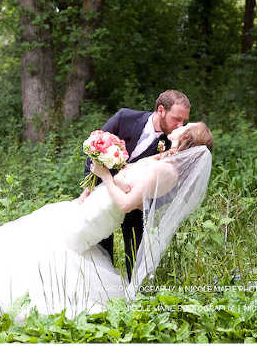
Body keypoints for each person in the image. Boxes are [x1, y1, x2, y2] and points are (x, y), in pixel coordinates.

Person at [0, 122, 213, 319]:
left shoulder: (166, 171)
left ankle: (33, 294)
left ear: (187, 138)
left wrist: (105, 175)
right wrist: (115, 172)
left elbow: (128, 204)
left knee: (55, 242)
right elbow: (134, 189)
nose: (179, 126)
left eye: (185, 126)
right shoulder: (165, 159)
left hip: (101, 214)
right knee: (48, 226)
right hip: (96, 203)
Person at [79, 90, 191, 280]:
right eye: (177, 119)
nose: (180, 126)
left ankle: (133, 294)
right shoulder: (125, 117)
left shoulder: (174, 143)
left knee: (135, 251)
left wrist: (145, 203)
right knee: (99, 246)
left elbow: (175, 187)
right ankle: (103, 285)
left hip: (136, 203)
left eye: (184, 121)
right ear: (161, 110)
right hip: (102, 194)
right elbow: (95, 149)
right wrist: (87, 188)